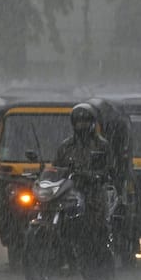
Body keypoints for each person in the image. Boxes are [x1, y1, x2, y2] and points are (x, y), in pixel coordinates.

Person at [53, 103, 112, 243]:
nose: (82, 125)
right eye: (78, 121)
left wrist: (93, 175)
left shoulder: (102, 145)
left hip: (93, 190)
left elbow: (109, 169)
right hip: (70, 191)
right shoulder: (65, 146)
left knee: (96, 222)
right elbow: (56, 167)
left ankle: (99, 244)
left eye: (85, 121)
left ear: (92, 123)